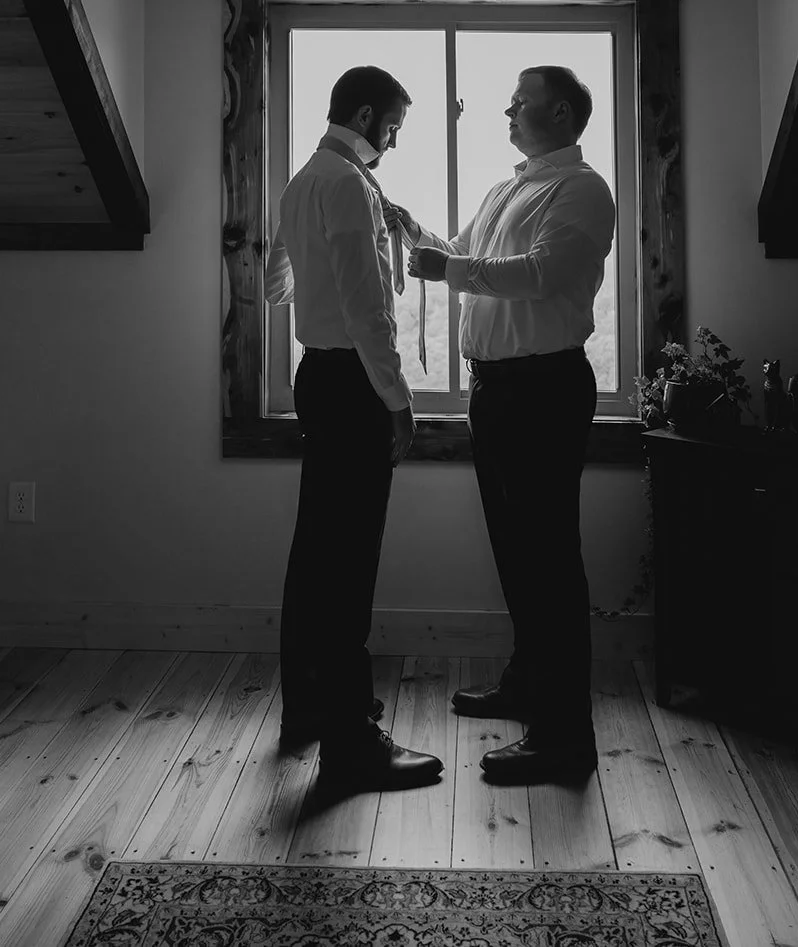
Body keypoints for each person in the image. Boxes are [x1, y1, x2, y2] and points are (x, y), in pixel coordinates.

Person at [395, 66, 615, 784]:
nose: (506, 109)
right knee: (516, 550)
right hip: (494, 391)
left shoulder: (583, 190)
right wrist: (407, 227)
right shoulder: (502, 189)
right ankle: (527, 683)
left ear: (557, 111)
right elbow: (458, 251)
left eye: (518, 100)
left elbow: (541, 273)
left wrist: (449, 268)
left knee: (550, 558)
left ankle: (564, 737)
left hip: (545, 390)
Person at [264, 65, 443, 791]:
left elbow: (271, 283)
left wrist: (326, 260)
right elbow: (371, 311)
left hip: (319, 375)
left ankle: (309, 707)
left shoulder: (306, 178)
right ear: (366, 116)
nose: (394, 144)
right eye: (393, 129)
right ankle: (350, 744)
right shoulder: (345, 185)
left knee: (317, 551)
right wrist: (397, 400)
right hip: (354, 384)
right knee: (349, 562)